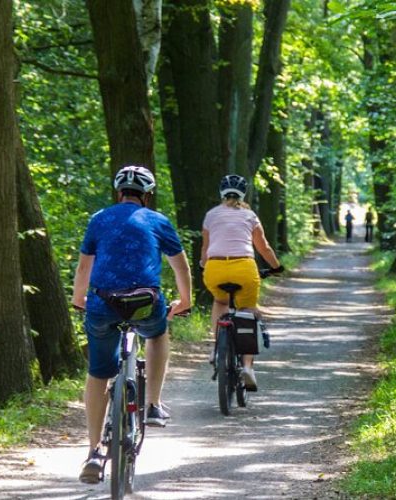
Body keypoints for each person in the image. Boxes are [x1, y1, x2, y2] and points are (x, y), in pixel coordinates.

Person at [72, 165, 192, 484]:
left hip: (102, 303)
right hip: (143, 304)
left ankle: (95, 452)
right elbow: (181, 267)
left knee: (98, 373)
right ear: (147, 196)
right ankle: (152, 404)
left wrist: (78, 299)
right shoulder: (158, 221)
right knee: (157, 334)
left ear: (118, 193)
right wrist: (185, 300)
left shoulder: (99, 219)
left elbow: (85, 267)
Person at [200, 174, 283, 391]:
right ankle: (247, 367)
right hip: (244, 268)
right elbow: (263, 247)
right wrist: (276, 267)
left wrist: (203, 265)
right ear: (243, 194)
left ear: (221, 192)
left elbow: (205, 249)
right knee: (247, 310)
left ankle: (217, 348)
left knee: (220, 303)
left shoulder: (210, 215)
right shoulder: (250, 216)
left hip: (215, 268)